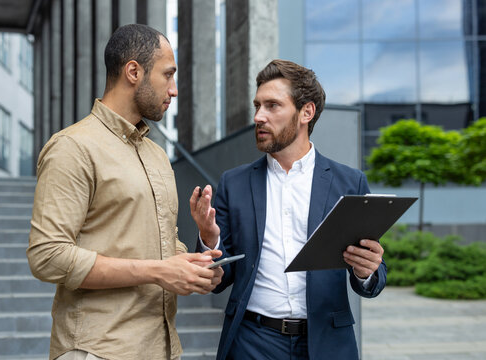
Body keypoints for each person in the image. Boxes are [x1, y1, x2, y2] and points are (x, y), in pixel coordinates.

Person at [27, 24, 223, 360]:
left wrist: (202, 253)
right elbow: (47, 255)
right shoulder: (72, 147)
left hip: (161, 348)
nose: (174, 90)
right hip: (97, 350)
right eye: (168, 75)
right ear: (133, 71)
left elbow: (159, 249)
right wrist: (158, 271)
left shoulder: (157, 156)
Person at [190, 59, 387, 360]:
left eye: (272, 106)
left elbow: (374, 278)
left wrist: (367, 271)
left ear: (306, 112)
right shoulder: (233, 183)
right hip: (251, 342)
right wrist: (209, 238)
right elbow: (219, 279)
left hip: (326, 343)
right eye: (257, 106)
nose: (258, 117)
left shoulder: (349, 182)